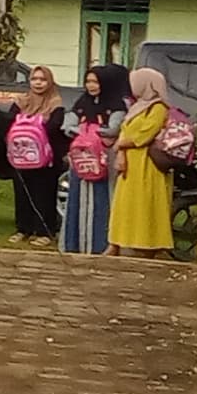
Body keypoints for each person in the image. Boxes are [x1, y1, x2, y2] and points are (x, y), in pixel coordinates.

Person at [59, 63, 128, 257]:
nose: (91, 86)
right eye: (88, 81)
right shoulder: (82, 102)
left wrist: (88, 131)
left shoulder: (116, 105)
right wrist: (85, 131)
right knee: (76, 200)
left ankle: (100, 244)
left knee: (102, 201)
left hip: (104, 162)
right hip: (81, 161)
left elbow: (113, 128)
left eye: (95, 82)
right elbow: (67, 123)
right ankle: (74, 243)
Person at [114, 67, 182, 258]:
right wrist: (121, 150)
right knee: (125, 204)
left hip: (148, 164)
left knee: (146, 205)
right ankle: (117, 241)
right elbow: (125, 129)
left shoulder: (158, 108)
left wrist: (121, 144)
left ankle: (147, 245)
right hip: (130, 162)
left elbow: (145, 133)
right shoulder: (137, 107)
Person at [4, 66, 68, 242]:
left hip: (46, 158)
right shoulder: (21, 102)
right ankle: (23, 229)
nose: (38, 83)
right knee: (22, 192)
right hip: (21, 156)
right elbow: (9, 122)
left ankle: (44, 231)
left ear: (50, 82)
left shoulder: (55, 103)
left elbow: (54, 127)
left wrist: (34, 129)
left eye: (43, 79)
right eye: (34, 79)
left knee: (44, 193)